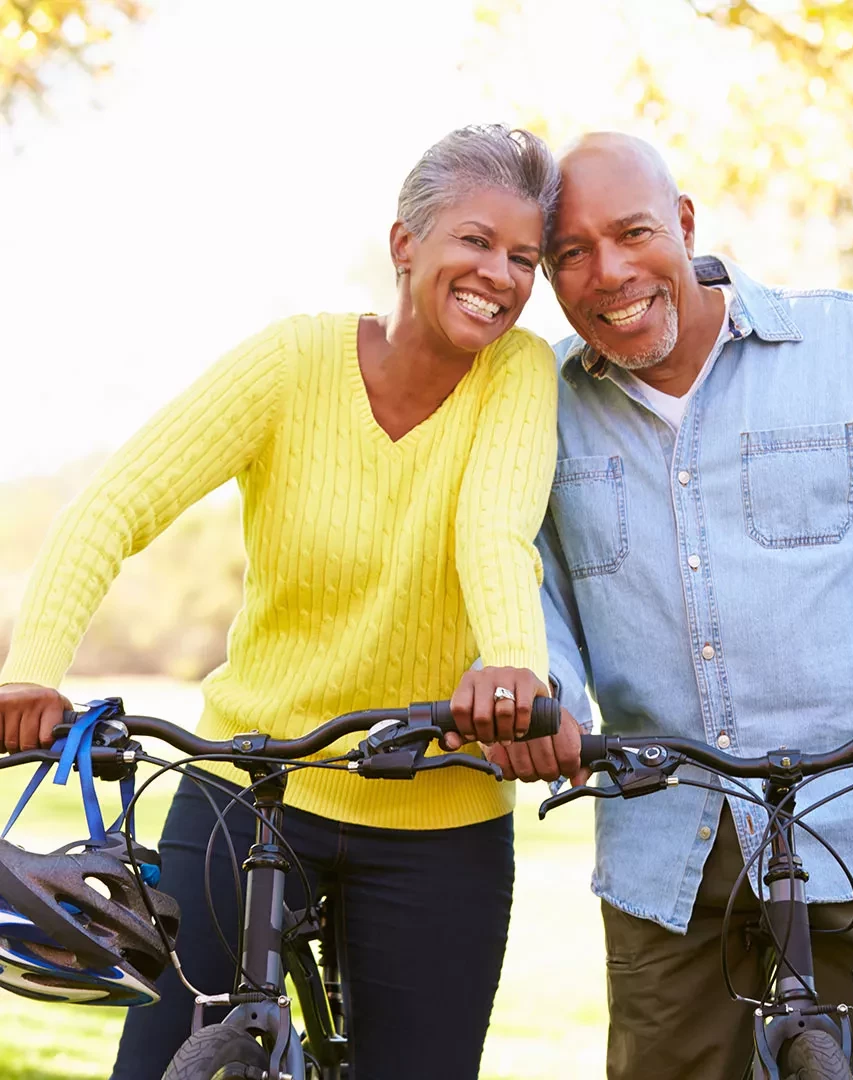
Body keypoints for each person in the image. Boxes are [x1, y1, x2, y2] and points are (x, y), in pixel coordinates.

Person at [486, 132, 853, 1079]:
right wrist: (544, 699)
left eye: (634, 232)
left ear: (683, 224)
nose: (610, 272)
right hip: (667, 857)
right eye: (571, 253)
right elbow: (525, 583)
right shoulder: (539, 402)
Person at [0, 124, 562, 1080]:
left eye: (524, 257)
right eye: (475, 242)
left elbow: (493, 527)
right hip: (250, 789)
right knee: (156, 1064)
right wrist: (31, 673)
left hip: (441, 809)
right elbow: (117, 501)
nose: (500, 276)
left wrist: (513, 663)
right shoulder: (292, 365)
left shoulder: (518, 374)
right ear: (404, 245)